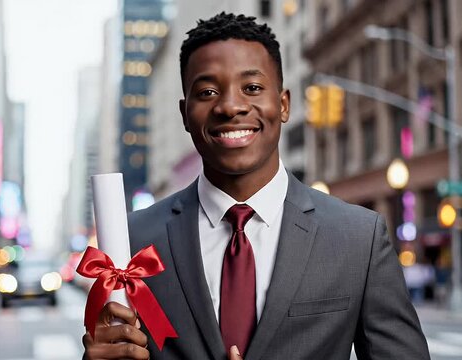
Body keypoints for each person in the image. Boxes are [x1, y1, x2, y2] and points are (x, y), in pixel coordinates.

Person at [82, 13, 430, 360]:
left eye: (251, 88)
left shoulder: (358, 238)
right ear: (185, 114)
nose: (230, 106)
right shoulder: (130, 240)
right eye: (207, 91)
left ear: (283, 105)